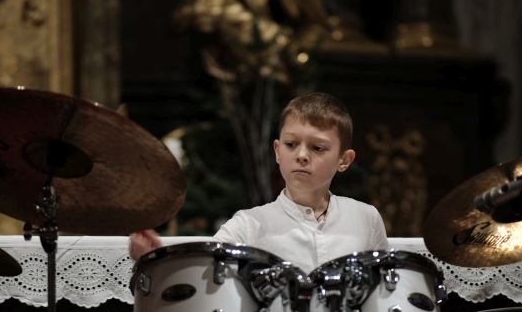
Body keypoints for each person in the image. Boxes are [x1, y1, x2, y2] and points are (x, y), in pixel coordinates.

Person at [129, 92, 388, 270]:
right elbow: (203, 273)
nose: (301, 155)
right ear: (277, 151)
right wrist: (150, 259)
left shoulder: (365, 218)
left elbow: (384, 290)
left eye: (317, 148)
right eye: (291, 144)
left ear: (344, 160)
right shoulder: (249, 224)